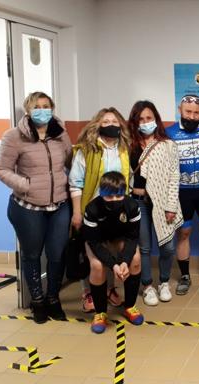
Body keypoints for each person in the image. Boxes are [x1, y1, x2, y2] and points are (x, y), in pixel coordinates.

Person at [0, 91, 72, 323]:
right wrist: (24, 185)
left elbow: (69, 161)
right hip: (27, 207)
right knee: (31, 255)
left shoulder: (60, 134)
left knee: (57, 255)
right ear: (28, 110)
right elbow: (2, 169)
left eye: (46, 105)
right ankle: (37, 301)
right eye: (37, 106)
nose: (42, 110)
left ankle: (53, 299)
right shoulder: (14, 136)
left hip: (59, 205)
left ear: (52, 108)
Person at [70, 107, 132, 312]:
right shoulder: (86, 150)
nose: (111, 125)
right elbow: (76, 183)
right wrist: (77, 213)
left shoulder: (123, 149)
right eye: (105, 121)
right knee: (93, 256)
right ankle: (88, 292)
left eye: (115, 121)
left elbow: (128, 179)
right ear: (97, 125)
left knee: (112, 252)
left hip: (116, 211)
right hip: (92, 211)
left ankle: (111, 289)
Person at [128, 100, 183, 306]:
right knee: (144, 248)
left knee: (167, 247)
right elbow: (124, 174)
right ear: (135, 122)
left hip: (163, 203)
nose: (145, 122)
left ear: (156, 119)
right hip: (138, 202)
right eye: (141, 119)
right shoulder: (128, 145)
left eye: (149, 118)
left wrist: (170, 205)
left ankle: (164, 282)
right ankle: (148, 286)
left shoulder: (168, 145)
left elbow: (173, 176)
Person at [166, 95, 199, 294]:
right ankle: (185, 276)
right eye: (188, 111)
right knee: (184, 233)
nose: (192, 116)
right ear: (180, 110)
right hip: (181, 192)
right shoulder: (168, 132)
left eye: (196, 113)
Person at [82, 171, 143, 333]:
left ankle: (130, 306)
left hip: (121, 237)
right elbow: (94, 243)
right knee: (97, 266)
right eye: (109, 196)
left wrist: (123, 261)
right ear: (102, 194)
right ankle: (100, 313)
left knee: (135, 259)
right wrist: (114, 265)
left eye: (118, 196)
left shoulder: (132, 206)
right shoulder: (92, 209)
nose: (114, 200)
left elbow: (132, 237)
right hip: (98, 240)